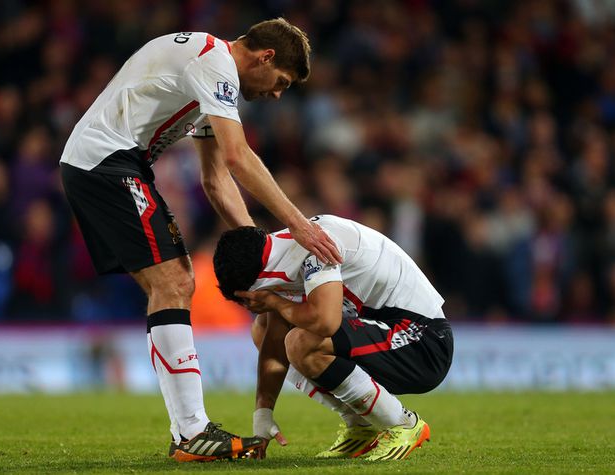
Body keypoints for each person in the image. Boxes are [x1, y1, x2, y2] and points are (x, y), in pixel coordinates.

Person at [59, 19, 342, 463]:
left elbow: (216, 178)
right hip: (106, 162)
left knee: (173, 283)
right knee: (173, 282)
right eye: (281, 82)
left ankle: (189, 432)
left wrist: (259, 255)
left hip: (108, 163)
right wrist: (299, 225)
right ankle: (191, 432)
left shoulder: (210, 73)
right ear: (265, 57)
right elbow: (238, 156)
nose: (276, 94)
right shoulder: (214, 63)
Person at [213, 214, 453, 461]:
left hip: (424, 340)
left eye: (247, 301)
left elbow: (326, 322)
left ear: (255, 285)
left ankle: (402, 423)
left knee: (302, 343)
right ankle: (361, 424)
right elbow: (272, 341)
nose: (250, 307)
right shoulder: (282, 252)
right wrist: (262, 415)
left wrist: (274, 301)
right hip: (391, 330)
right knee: (263, 328)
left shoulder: (314, 247)